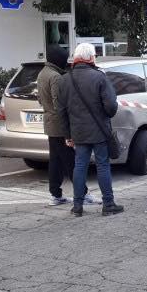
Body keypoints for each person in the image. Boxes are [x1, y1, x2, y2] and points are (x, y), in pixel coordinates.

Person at [57, 43, 123, 217]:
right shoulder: (99, 77)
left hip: (78, 132)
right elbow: (111, 107)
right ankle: (108, 204)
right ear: (91, 57)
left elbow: (61, 111)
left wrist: (67, 135)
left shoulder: (64, 80)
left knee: (79, 166)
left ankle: (77, 206)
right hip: (99, 131)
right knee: (102, 165)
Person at [36, 45, 100, 206]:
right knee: (71, 161)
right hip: (59, 125)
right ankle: (83, 194)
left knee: (56, 161)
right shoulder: (56, 77)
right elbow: (60, 105)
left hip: (50, 123)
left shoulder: (43, 73)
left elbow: (40, 99)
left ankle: (56, 194)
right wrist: (68, 129)